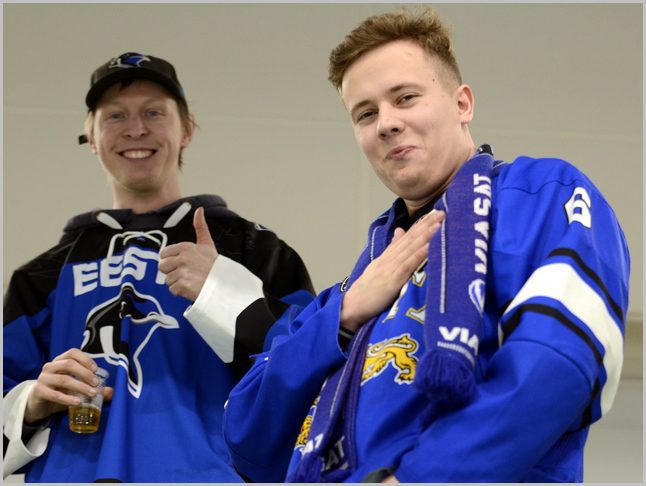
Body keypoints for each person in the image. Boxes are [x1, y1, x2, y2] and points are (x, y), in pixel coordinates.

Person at [220, 8, 631, 483]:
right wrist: (344, 316)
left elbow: (562, 358)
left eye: (406, 98)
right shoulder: (356, 289)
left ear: (462, 104)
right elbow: (247, 434)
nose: (386, 123)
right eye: (366, 113)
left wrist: (420, 478)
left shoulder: (538, 193)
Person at [3, 52, 314, 482]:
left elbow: (312, 364)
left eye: (153, 112)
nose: (136, 129)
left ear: (187, 129)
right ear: (90, 136)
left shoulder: (253, 248)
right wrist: (31, 403)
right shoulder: (42, 276)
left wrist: (225, 294)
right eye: (115, 116)